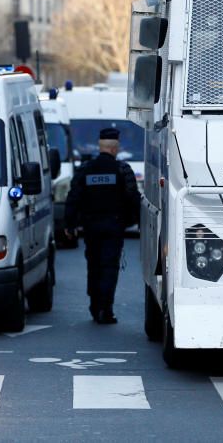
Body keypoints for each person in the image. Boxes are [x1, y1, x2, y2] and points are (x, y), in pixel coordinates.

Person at [63, 127, 140, 324]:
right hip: (114, 226)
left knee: (94, 266)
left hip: (91, 227)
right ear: (115, 148)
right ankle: (106, 309)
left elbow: (73, 197)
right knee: (109, 268)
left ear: (100, 147)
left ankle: (95, 305)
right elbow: (133, 198)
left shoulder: (85, 169)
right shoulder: (122, 169)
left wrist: (70, 225)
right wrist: (138, 222)